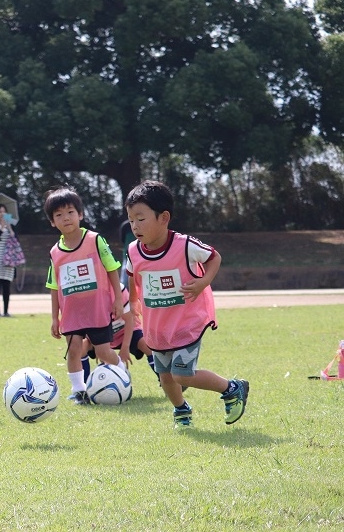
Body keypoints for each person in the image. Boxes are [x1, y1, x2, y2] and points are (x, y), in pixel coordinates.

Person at [124, 180, 249, 429]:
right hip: (157, 328)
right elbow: (132, 278)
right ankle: (181, 410)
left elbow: (214, 257)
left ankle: (232, 388)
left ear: (164, 217)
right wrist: (132, 303)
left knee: (181, 374)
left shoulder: (185, 245)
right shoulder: (134, 251)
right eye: (130, 220)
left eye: (141, 219)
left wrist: (203, 281)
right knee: (165, 377)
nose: (135, 226)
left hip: (186, 323)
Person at [44, 187, 123, 405]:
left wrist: (117, 299)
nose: (66, 218)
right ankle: (78, 390)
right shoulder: (55, 252)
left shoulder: (95, 240)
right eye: (59, 215)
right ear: (52, 222)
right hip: (71, 313)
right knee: (74, 350)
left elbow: (112, 268)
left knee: (104, 352)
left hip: (97, 309)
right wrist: (54, 317)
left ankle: (122, 375)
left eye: (70, 212)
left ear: (80, 214)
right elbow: (54, 286)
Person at [81, 282, 157, 383]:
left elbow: (129, 320)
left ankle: (164, 380)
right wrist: (98, 347)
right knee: (81, 347)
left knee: (147, 345)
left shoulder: (118, 289)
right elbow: (87, 323)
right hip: (101, 334)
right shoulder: (86, 292)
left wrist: (125, 348)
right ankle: (85, 386)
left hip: (125, 331)